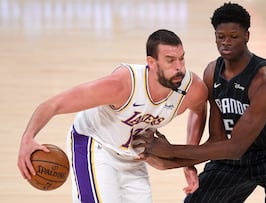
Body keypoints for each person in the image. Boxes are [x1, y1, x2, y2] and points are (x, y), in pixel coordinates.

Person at [134, 3, 266, 203]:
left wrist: (171, 152)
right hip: (233, 157)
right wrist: (171, 162)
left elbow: (235, 147)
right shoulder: (212, 72)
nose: (226, 42)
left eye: (233, 37)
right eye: (220, 36)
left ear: (247, 36)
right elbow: (217, 141)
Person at [17, 29, 208, 203]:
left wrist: (188, 161)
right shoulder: (122, 86)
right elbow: (54, 104)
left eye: (182, 59)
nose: (179, 67)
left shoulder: (192, 89)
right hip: (95, 146)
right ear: (151, 62)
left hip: (134, 157)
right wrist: (28, 138)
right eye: (170, 60)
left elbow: (199, 111)